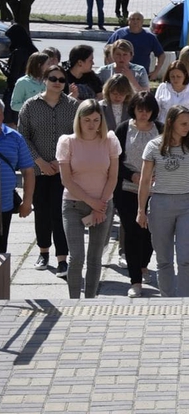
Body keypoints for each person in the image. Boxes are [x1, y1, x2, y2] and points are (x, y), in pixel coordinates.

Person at [137, 106, 189, 298]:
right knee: (164, 260)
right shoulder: (153, 146)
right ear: (170, 123)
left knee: (186, 258)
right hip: (161, 204)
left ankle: (188, 300)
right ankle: (168, 300)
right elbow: (145, 181)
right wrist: (141, 210)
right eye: (184, 124)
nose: (188, 127)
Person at [18, 64, 79, 277]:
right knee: (42, 211)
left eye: (62, 80)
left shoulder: (73, 106)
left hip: (64, 169)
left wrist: (59, 161)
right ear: (45, 79)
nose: (57, 83)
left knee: (60, 213)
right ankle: (43, 252)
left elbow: (78, 136)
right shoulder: (30, 106)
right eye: (53, 78)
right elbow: (23, 136)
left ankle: (62, 257)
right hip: (37, 170)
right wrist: (41, 161)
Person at [58, 99, 121, 298]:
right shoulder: (67, 142)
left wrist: (99, 205)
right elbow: (66, 180)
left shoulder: (110, 140)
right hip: (74, 205)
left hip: (103, 204)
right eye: (87, 120)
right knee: (76, 257)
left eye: (96, 120)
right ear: (79, 120)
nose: (92, 125)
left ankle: (90, 301)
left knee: (95, 258)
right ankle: (74, 300)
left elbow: (113, 176)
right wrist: (92, 202)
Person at [115, 91, 160, 298]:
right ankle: (135, 280)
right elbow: (114, 160)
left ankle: (144, 265)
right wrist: (132, 175)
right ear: (133, 109)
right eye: (140, 109)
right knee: (132, 233)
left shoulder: (161, 129)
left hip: (155, 190)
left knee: (150, 232)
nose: (143, 114)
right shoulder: (123, 129)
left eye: (147, 110)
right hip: (127, 189)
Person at [0, 99, 35, 257]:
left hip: (3, 207)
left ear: (2, 115)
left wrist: (27, 202)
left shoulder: (15, 138)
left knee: (0, 255)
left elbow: (28, 171)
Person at [155, 61, 189, 133]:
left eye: (178, 76)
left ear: (185, 75)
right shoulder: (162, 87)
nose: (175, 79)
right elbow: (156, 111)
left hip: (188, 133)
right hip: (166, 132)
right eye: (172, 76)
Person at [2, 24, 36, 125]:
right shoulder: (33, 51)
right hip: (30, 90)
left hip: (14, 91)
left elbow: (12, 75)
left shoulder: (18, 52)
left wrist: (2, 66)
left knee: (10, 123)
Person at [10, 52, 49, 119]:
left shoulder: (50, 80)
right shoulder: (23, 82)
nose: (50, 66)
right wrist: (32, 106)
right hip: (29, 123)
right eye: (48, 64)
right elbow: (14, 105)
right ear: (39, 65)